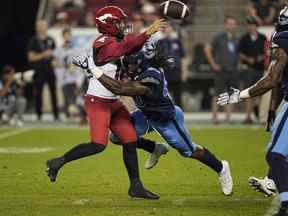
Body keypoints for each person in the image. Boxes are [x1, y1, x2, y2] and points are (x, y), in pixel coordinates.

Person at [73, 41, 233, 196]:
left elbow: (120, 88)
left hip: (166, 119)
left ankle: (221, 168)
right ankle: (155, 148)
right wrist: (90, 61)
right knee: (117, 137)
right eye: (127, 63)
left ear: (141, 61)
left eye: (132, 65)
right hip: (145, 114)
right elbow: (109, 60)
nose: (128, 68)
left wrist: (92, 68)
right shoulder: (131, 64)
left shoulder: (151, 76)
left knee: (190, 151)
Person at [46, 6, 166, 200]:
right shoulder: (103, 42)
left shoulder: (116, 39)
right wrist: (147, 32)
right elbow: (124, 48)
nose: (122, 26)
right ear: (108, 24)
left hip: (113, 101)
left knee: (129, 140)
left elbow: (131, 45)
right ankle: (58, 162)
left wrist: (148, 38)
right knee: (98, 145)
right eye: (118, 22)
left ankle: (136, 187)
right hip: (98, 101)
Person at [217, 7, 288, 216]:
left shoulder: (283, 39)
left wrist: (240, 95)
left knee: (275, 155)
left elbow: (272, 79)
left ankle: (285, 204)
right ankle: (272, 183)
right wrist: (273, 107)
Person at [204, 16, 239, 124]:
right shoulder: (219, 37)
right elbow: (207, 49)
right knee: (217, 94)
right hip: (221, 70)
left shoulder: (237, 39)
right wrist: (213, 64)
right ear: (226, 25)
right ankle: (214, 118)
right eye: (229, 23)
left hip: (233, 70)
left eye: (233, 24)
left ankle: (228, 118)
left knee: (231, 94)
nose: (231, 26)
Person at [27, 20, 59, 121]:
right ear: (37, 28)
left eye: (43, 26)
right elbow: (30, 57)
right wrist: (43, 55)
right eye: (39, 26)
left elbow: (55, 55)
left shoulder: (51, 40)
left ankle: (56, 114)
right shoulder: (33, 41)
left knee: (53, 92)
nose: (42, 28)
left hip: (50, 70)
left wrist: (55, 60)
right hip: (39, 70)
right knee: (38, 93)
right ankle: (39, 114)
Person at [238, 16, 267, 124]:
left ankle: (260, 115)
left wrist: (260, 58)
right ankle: (248, 116)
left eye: (252, 25)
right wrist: (248, 59)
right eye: (249, 25)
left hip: (259, 69)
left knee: (260, 93)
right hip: (248, 70)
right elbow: (240, 53)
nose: (250, 27)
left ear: (256, 26)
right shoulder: (244, 38)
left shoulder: (263, 38)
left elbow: (266, 52)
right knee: (248, 93)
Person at [54, 28, 84, 119]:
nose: (67, 37)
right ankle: (68, 115)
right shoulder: (59, 49)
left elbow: (78, 61)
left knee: (74, 97)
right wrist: (61, 65)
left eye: (68, 35)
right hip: (64, 77)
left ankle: (75, 114)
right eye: (65, 35)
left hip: (74, 78)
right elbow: (54, 62)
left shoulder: (75, 49)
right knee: (66, 97)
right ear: (63, 36)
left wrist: (73, 66)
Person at [158, 23, 187, 108]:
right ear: (164, 30)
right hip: (165, 72)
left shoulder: (177, 41)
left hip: (176, 71)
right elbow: (157, 58)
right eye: (166, 28)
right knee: (164, 94)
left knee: (178, 94)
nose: (168, 30)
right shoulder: (160, 42)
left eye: (169, 28)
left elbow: (183, 57)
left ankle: (179, 113)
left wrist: (184, 72)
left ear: (172, 30)